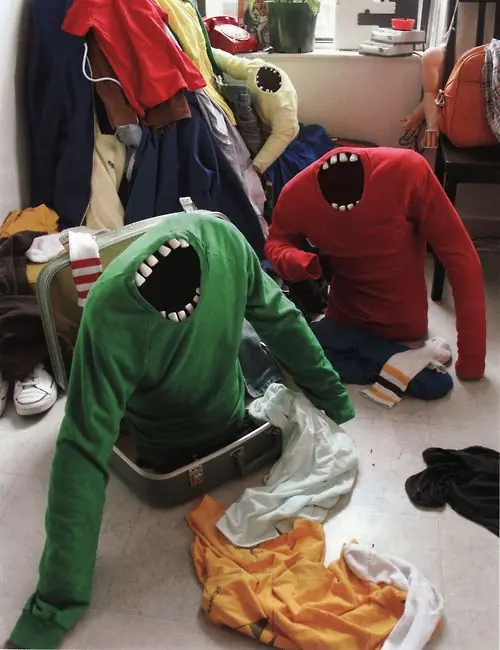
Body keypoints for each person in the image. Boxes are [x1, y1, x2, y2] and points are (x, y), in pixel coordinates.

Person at [6, 211, 354, 650]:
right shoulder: (223, 236)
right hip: (229, 417)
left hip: (167, 447)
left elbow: (83, 448)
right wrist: (334, 400)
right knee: (252, 336)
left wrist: (55, 605)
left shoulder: (108, 311)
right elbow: (282, 320)